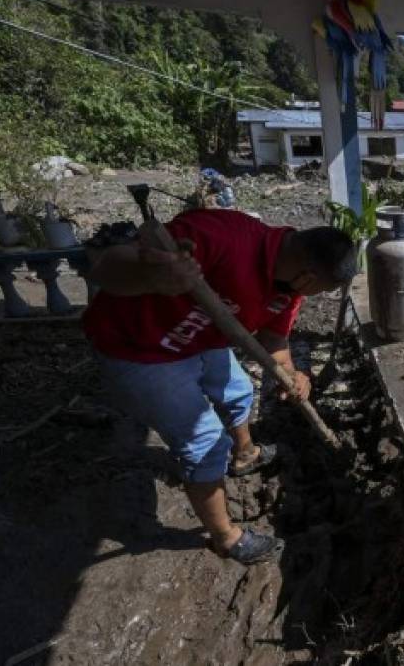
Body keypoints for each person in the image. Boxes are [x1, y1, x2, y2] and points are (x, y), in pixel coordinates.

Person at [84, 208, 357, 564]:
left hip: (201, 341)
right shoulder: (223, 235)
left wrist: (293, 375)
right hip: (137, 349)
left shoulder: (289, 288)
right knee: (205, 442)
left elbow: (274, 341)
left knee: (239, 390)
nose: (313, 296)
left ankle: (245, 454)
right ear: (307, 277)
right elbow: (105, 267)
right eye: (321, 291)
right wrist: (150, 276)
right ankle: (225, 538)